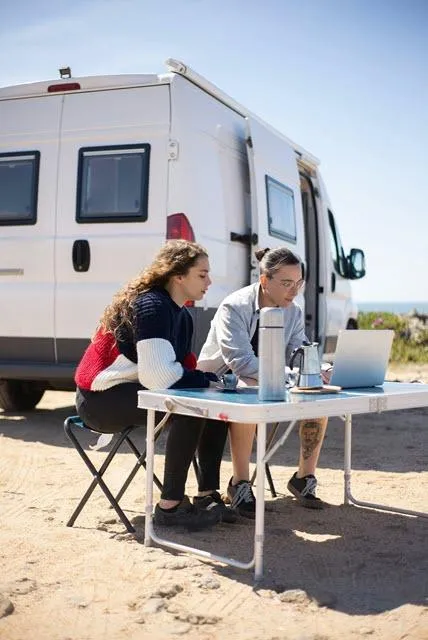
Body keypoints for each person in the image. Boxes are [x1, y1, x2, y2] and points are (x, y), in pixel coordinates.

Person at [74, 239, 235, 529]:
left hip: (133, 391)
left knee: (213, 405)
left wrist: (210, 383)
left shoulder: (182, 315)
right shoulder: (151, 306)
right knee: (189, 406)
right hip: (99, 398)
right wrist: (207, 379)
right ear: (178, 276)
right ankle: (170, 508)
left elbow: (180, 372)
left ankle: (207, 496)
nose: (209, 281)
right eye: (202, 274)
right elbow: (160, 377)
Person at [197, 246, 329, 517]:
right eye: (286, 283)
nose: (294, 291)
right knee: (250, 389)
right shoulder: (234, 307)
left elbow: (298, 350)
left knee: (318, 397)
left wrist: (320, 368)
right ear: (265, 280)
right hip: (217, 383)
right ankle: (240, 483)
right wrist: (294, 375)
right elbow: (241, 363)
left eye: (299, 283)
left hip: (268, 382)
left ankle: (303, 478)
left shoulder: (292, 310)